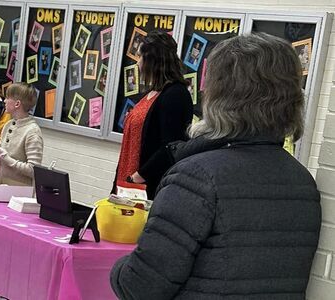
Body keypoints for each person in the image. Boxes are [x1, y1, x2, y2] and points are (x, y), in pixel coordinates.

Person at [110, 32, 320, 300]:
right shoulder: (302, 181)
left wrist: (115, 265)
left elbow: (139, 286)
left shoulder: (195, 178)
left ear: (220, 93)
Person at [112, 30, 193, 199]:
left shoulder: (175, 94)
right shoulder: (154, 92)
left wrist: (138, 177)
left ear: (154, 61)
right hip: (128, 183)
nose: (138, 63)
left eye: (141, 57)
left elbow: (172, 146)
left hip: (147, 187)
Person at [0, 83, 43, 184]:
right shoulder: (8, 125)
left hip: (21, 193)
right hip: (5, 185)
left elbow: (33, 170)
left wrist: (6, 158)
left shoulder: (32, 132)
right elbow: (4, 162)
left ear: (17, 104)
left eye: (7, 98)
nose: (4, 101)